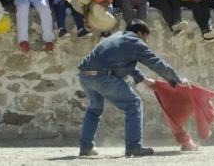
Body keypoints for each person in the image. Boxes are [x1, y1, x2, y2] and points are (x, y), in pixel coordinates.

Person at [77, 19, 192, 158]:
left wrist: (143, 79)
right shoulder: (135, 42)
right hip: (103, 77)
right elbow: (157, 63)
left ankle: (85, 148)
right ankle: (133, 147)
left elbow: (126, 65)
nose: (145, 42)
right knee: (134, 103)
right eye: (145, 38)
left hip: (85, 76)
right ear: (139, 33)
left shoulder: (117, 36)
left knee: (94, 109)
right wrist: (177, 80)